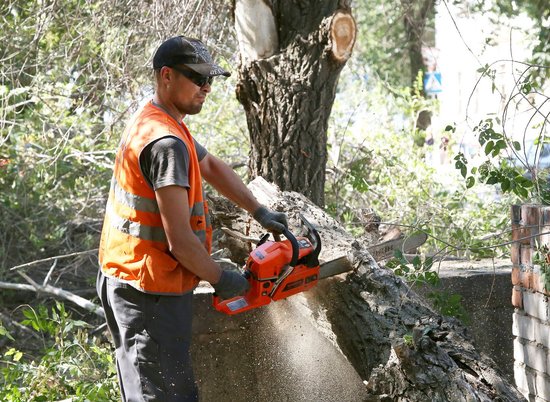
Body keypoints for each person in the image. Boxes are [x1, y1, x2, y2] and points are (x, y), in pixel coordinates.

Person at [96, 36, 288, 402]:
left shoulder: (159, 119)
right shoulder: (165, 142)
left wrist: (259, 210)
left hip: (129, 277)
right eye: (197, 78)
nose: (206, 88)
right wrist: (221, 278)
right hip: (147, 291)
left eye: (210, 80)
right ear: (166, 76)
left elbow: (211, 165)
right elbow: (181, 241)